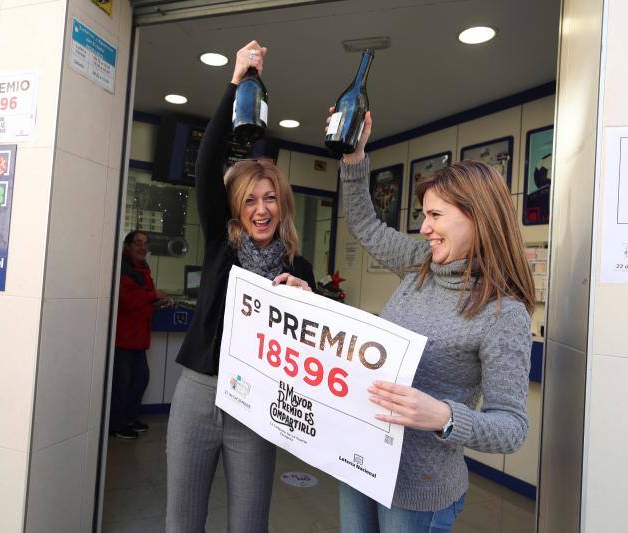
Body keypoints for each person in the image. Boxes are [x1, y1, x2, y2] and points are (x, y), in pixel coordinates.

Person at [333, 110, 535, 532]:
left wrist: (444, 415)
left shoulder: (503, 313)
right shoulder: (419, 265)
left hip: (417, 491)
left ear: (478, 218)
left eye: (435, 216)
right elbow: (366, 225)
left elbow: (512, 428)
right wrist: (354, 159)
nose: (423, 228)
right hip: (359, 461)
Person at [165, 41, 316, 533]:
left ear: (283, 204)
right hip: (198, 397)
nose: (261, 208)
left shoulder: (299, 267)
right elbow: (206, 164)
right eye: (250, 199)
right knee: (183, 521)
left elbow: (314, 343)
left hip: (256, 406)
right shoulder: (218, 245)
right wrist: (234, 84)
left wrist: (308, 302)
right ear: (237, 206)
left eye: (271, 197)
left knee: (249, 524)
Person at [110, 230, 167, 440]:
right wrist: (154, 295)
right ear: (127, 246)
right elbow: (127, 300)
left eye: (145, 243)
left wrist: (157, 302)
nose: (142, 247)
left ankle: (130, 419)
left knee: (140, 379)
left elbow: (142, 299)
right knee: (121, 384)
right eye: (137, 243)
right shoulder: (122, 268)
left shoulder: (143, 269)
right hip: (123, 339)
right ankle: (116, 425)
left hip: (139, 338)